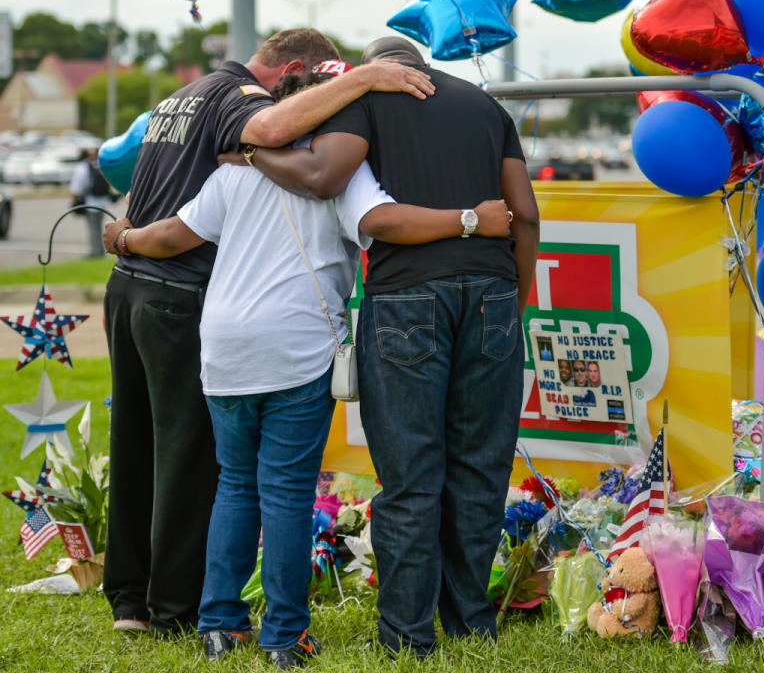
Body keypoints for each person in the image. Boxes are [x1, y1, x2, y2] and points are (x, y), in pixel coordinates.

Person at [103, 69, 511, 668]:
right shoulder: (343, 178)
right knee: (287, 494)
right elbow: (381, 222)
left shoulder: (232, 174)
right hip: (294, 349)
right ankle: (284, 637)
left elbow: (170, 237)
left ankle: (221, 625)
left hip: (222, 346)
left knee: (235, 486)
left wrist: (123, 238)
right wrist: (470, 220)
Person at [223, 36, 539, 655]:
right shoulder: (485, 106)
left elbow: (324, 176)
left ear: (379, 69)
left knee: (411, 477)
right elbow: (525, 213)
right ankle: (472, 624)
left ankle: (407, 636)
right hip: (492, 292)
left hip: (407, 297)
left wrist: (255, 151)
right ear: (422, 66)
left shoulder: (365, 98)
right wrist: (513, 297)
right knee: (479, 470)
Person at [69, 147, 114, 257]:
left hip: (90, 202)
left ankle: (96, 252)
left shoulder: (83, 168)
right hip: (102, 202)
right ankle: (100, 251)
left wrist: (75, 197)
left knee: (93, 228)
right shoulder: (101, 166)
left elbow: (77, 188)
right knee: (99, 227)